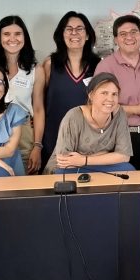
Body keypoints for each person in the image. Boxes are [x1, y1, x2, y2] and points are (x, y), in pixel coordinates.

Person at [95, 15, 140, 170]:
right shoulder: (106, 67)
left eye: (133, 32)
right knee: (124, 188)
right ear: (115, 39)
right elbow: (99, 107)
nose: (129, 37)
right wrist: (135, 110)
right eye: (123, 34)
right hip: (120, 137)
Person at [37, 12, 100, 172]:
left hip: (88, 139)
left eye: (80, 29)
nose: (74, 33)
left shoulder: (98, 66)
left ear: (87, 35)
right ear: (61, 35)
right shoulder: (50, 64)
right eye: (69, 29)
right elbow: (39, 106)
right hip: (53, 137)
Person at [0, 16, 45, 174]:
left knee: (25, 184)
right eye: (6, 34)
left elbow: (38, 109)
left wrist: (37, 146)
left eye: (18, 34)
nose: (12, 38)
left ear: (24, 37)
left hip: (24, 131)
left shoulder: (36, 70)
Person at [46, 72, 132, 173]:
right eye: (104, 93)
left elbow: (124, 156)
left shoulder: (119, 113)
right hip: (67, 169)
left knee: (128, 168)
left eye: (114, 94)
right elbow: (64, 160)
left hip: (94, 165)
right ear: (91, 95)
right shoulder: (73, 116)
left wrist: (84, 159)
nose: (110, 99)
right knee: (62, 172)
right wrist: (106, 155)